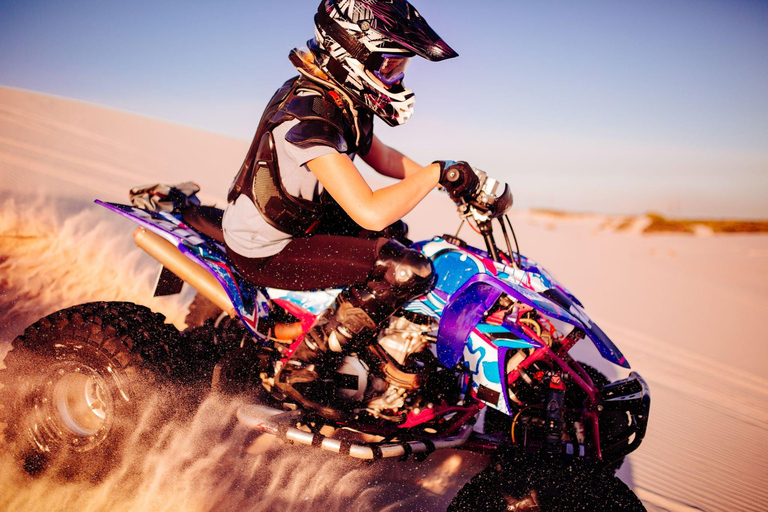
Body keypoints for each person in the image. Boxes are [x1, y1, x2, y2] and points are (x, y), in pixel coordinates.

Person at [223, 0, 479, 420]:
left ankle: (379, 342)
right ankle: (305, 366)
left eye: (400, 68)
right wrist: (436, 173)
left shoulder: (341, 98)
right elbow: (369, 211)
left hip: (304, 219)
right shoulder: (306, 117)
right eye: (389, 66)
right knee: (404, 270)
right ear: (352, 52)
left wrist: (451, 184)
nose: (396, 78)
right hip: (268, 246)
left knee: (397, 235)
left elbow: (383, 157)